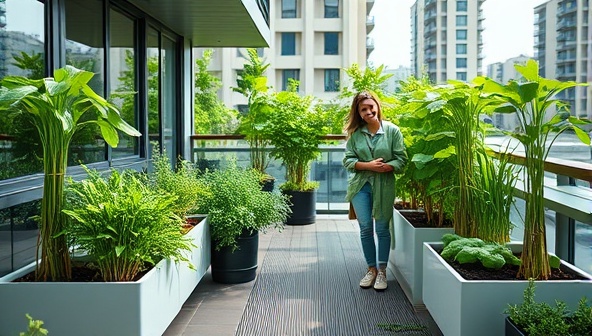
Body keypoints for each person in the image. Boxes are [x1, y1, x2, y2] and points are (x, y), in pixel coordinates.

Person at [342, 91, 407, 291]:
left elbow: (402, 159)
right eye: (364, 109)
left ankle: (382, 272)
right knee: (365, 229)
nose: (369, 111)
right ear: (359, 113)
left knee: (382, 229)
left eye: (371, 107)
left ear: (377, 106)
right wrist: (369, 165)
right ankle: (371, 269)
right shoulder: (355, 135)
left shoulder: (392, 131)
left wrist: (388, 167)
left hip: (384, 186)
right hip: (360, 187)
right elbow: (348, 161)